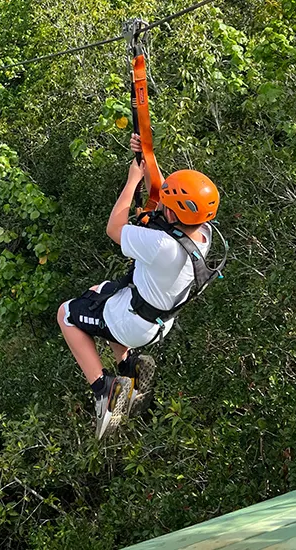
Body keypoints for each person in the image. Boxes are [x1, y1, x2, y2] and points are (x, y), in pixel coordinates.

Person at [57, 133, 220, 439]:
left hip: (133, 324)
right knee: (100, 291)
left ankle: (103, 390)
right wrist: (147, 156)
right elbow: (163, 197)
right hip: (159, 321)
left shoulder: (160, 245)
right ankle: (128, 366)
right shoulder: (203, 235)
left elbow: (114, 228)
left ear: (173, 212)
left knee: (67, 314)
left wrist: (133, 180)